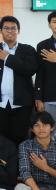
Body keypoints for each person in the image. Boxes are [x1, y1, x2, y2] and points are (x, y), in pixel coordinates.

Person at [0, 15, 38, 147]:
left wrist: (8, 58)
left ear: (18, 31)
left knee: (21, 139)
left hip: (22, 105)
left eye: (13, 28)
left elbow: (30, 69)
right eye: (6, 28)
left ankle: (20, 161)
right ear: (0, 30)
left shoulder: (27, 50)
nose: (10, 31)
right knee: (1, 139)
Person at [15, 111, 56, 190]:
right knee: (19, 189)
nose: (41, 128)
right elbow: (25, 172)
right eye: (37, 125)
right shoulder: (25, 146)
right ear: (32, 129)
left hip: (54, 188)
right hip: (34, 189)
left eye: (45, 125)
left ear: (52, 127)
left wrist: (45, 167)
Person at [35, 11, 56, 139]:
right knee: (49, 132)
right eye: (55, 22)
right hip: (49, 96)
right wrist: (39, 99)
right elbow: (40, 73)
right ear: (49, 25)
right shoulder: (42, 46)